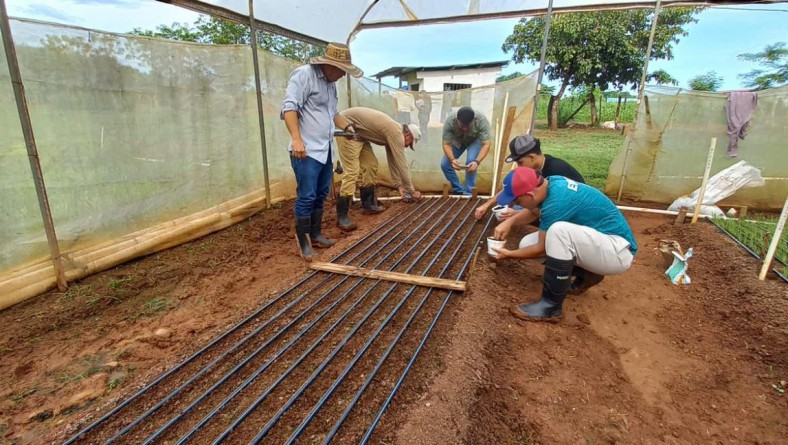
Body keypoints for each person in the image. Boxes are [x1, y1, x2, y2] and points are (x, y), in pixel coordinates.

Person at [491, 167, 638, 322]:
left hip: (617, 252)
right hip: (602, 244)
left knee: (559, 232)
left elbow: (541, 250)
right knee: (527, 243)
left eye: (516, 200)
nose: (514, 205)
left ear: (529, 194)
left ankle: (550, 307)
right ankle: (586, 274)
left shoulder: (558, 201)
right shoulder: (551, 184)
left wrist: (509, 254)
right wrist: (510, 222)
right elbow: (534, 212)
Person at [280, 42, 362, 261]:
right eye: (342, 70)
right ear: (329, 65)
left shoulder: (330, 83)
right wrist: (296, 139)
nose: (344, 75)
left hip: (325, 149)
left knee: (321, 195)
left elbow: (333, 112)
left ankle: (315, 235)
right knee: (306, 196)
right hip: (305, 151)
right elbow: (289, 107)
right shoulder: (304, 76)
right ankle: (304, 243)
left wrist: (347, 126)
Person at [335, 107, 423, 231]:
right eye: (409, 143)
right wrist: (411, 190)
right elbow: (402, 165)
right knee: (352, 171)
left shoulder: (394, 133)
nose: (407, 146)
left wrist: (399, 186)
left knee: (371, 165)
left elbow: (393, 161)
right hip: (346, 127)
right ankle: (342, 217)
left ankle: (368, 205)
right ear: (408, 134)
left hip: (359, 135)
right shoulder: (396, 133)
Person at [474, 134, 585, 221]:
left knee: (516, 210)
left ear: (532, 157)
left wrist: (517, 215)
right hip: (553, 206)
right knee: (516, 209)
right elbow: (511, 186)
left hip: (572, 214)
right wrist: (486, 205)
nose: (519, 167)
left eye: (520, 162)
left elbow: (555, 208)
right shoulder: (538, 165)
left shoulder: (555, 171)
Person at [441, 106, 491, 195]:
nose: (465, 129)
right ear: (457, 120)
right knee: (445, 164)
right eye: (462, 126)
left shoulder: (481, 120)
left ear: (473, 120)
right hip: (458, 140)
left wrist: (477, 161)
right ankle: (458, 190)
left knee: (471, 161)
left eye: (468, 126)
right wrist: (452, 159)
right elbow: (446, 144)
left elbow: (486, 144)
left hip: (474, 140)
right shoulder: (450, 121)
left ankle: (469, 192)